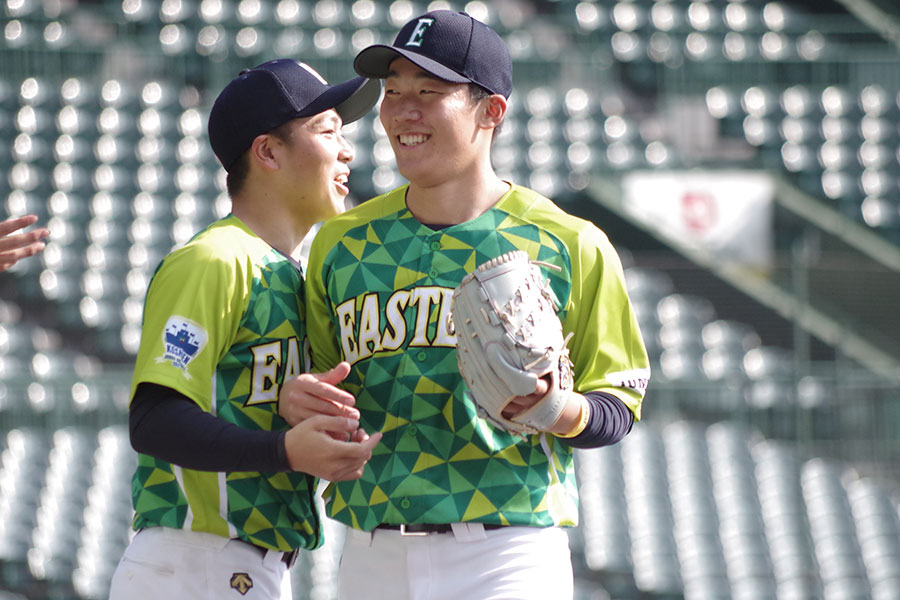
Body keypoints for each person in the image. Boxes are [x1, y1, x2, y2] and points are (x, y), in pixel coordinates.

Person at [285, 10, 651, 600]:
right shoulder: (341, 242)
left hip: (507, 550)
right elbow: (322, 387)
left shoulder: (568, 243)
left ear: (491, 111)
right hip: (373, 551)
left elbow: (619, 404)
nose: (403, 111)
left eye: (429, 92)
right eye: (393, 91)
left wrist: (554, 409)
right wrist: (301, 402)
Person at [108, 58, 382, 600]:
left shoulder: (293, 274)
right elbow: (154, 420)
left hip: (241, 568)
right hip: (196, 561)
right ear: (269, 152)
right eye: (328, 131)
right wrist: (284, 450)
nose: (347, 151)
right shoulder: (214, 260)